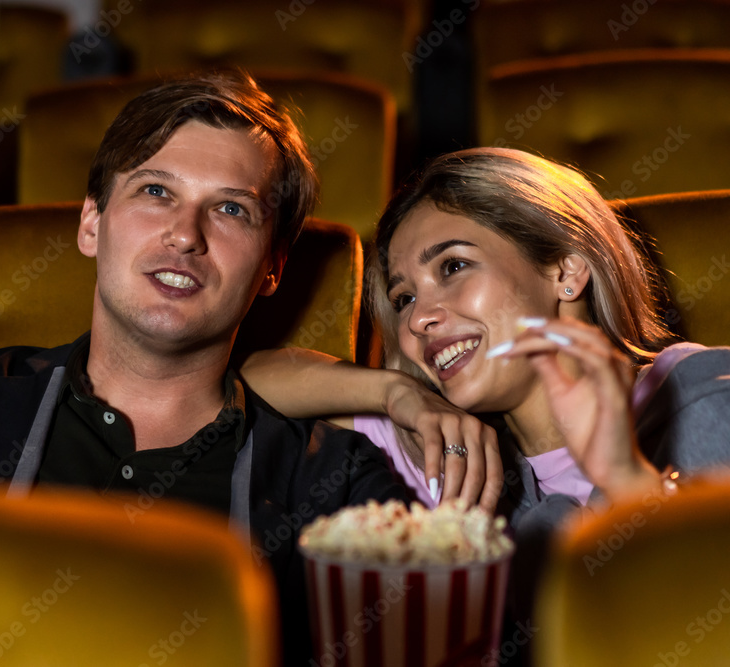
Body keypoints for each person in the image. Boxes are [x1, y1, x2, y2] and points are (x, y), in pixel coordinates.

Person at [0, 70, 486, 665]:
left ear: (272, 268)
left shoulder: (337, 488)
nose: (185, 234)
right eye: (156, 191)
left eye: (232, 209)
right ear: (92, 222)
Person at [241, 146, 730, 660]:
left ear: (567, 268)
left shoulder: (698, 394)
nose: (418, 320)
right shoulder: (444, 444)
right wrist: (396, 392)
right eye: (404, 297)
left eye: (453, 266)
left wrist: (626, 481)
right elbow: (243, 386)